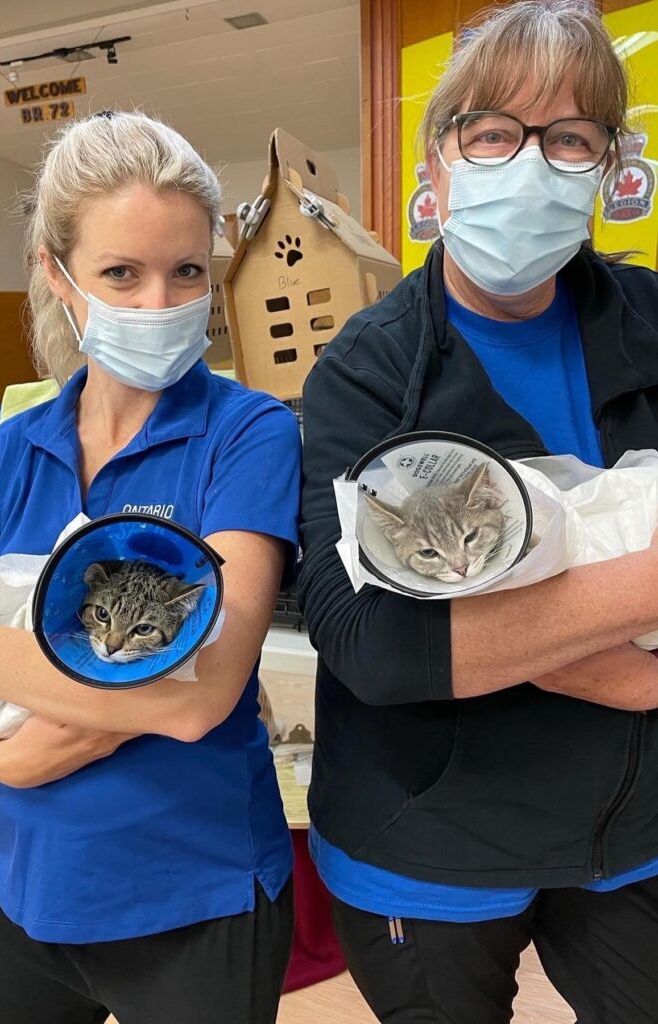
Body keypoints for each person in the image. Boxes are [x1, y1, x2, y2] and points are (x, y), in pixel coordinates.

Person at [0, 111, 301, 1024]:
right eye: (120, 274)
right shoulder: (8, 455)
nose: (159, 303)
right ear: (58, 277)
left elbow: (196, 698)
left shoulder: (247, 435)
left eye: (186, 271)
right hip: (26, 888)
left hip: (197, 898)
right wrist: (10, 760)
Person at [298, 3, 658, 1022]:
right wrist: (632, 654)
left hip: (632, 828)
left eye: (570, 138)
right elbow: (370, 640)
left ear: (608, 171)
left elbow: (429, 631)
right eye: (494, 132)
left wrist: (507, 634)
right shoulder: (362, 371)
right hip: (427, 842)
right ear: (438, 161)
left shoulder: (650, 323)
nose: (531, 165)